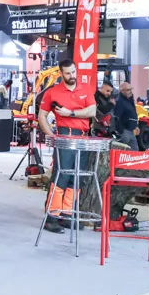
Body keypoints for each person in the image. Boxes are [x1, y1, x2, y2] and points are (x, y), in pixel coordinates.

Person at [37, 59, 97, 233]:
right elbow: (42, 116)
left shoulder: (85, 89)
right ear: (61, 74)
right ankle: (52, 217)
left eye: (73, 72)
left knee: (76, 177)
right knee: (61, 176)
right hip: (64, 136)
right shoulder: (52, 92)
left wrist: (70, 113)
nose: (72, 76)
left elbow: (92, 111)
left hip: (83, 138)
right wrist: (51, 135)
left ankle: (67, 214)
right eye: (68, 73)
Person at [113, 82, 140, 150]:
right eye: (128, 90)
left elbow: (133, 114)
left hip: (131, 131)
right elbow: (116, 118)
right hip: (125, 132)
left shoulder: (129, 100)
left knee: (134, 151)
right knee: (124, 152)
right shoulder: (119, 101)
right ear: (122, 91)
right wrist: (122, 131)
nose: (130, 91)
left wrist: (135, 126)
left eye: (131, 89)